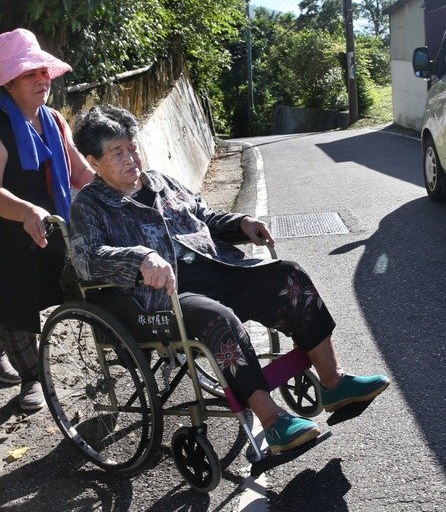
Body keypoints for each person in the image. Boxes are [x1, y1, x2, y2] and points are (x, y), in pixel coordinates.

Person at [70, 104, 389, 454]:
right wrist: (139, 258)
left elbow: (204, 215)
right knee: (216, 316)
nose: (131, 157)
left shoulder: (161, 181)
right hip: (164, 299)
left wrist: (241, 223)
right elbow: (86, 259)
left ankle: (334, 382)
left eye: (133, 147)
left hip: (220, 269)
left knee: (289, 275)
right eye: (117, 152)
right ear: (93, 161)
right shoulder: (89, 205)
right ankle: (273, 422)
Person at [0, 28, 95, 412]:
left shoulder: (53, 120)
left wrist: (118, 191)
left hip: (47, 223)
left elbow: (79, 173)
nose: (41, 79)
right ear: (9, 81)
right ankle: (33, 377)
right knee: (13, 298)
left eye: (43, 71)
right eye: (30, 73)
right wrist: (28, 211)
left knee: (38, 289)